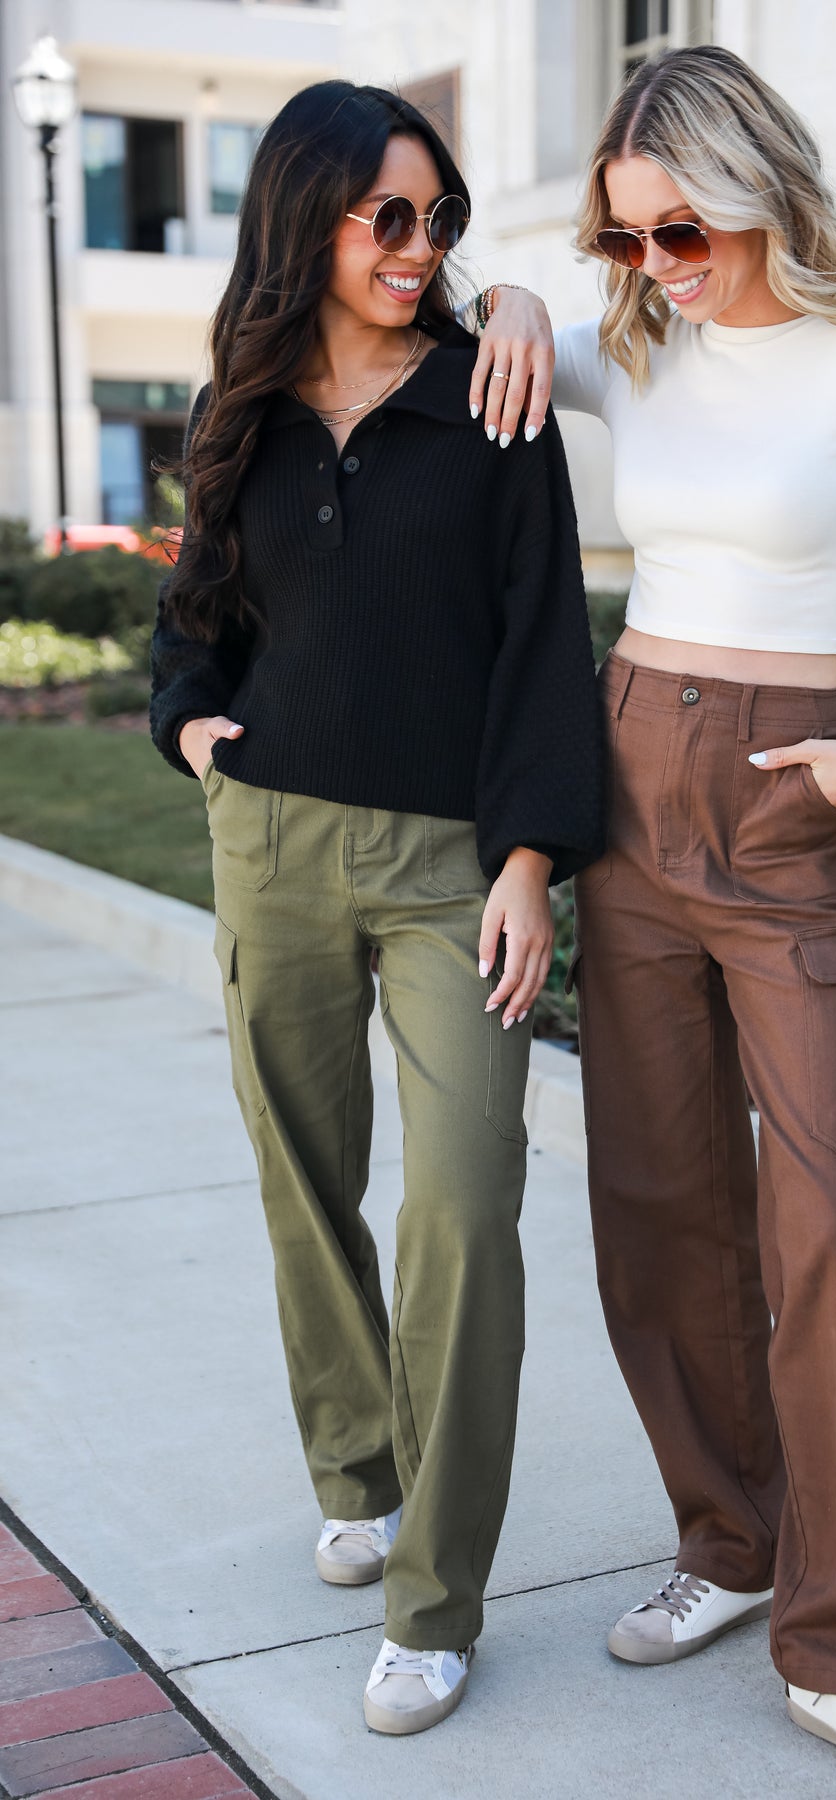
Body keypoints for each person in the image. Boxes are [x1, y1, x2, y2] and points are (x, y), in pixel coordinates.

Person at [466, 45, 836, 1799]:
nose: (655, 265)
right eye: (623, 236)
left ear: (763, 192)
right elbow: (492, 329)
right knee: (660, 1212)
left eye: (684, 230)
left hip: (797, 806)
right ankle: (726, 1544)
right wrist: (520, 290)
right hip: (630, 784)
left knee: (832, 1236)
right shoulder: (641, 338)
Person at [148, 80, 603, 1739]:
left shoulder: (494, 398)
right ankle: (358, 1471)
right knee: (305, 1182)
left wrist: (531, 862)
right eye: (386, 217)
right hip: (269, 842)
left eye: (439, 219)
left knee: (465, 1212)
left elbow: (547, 641)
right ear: (307, 221)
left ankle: (437, 1602)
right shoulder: (244, 408)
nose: (419, 248)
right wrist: (191, 723)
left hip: (451, 874)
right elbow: (197, 608)